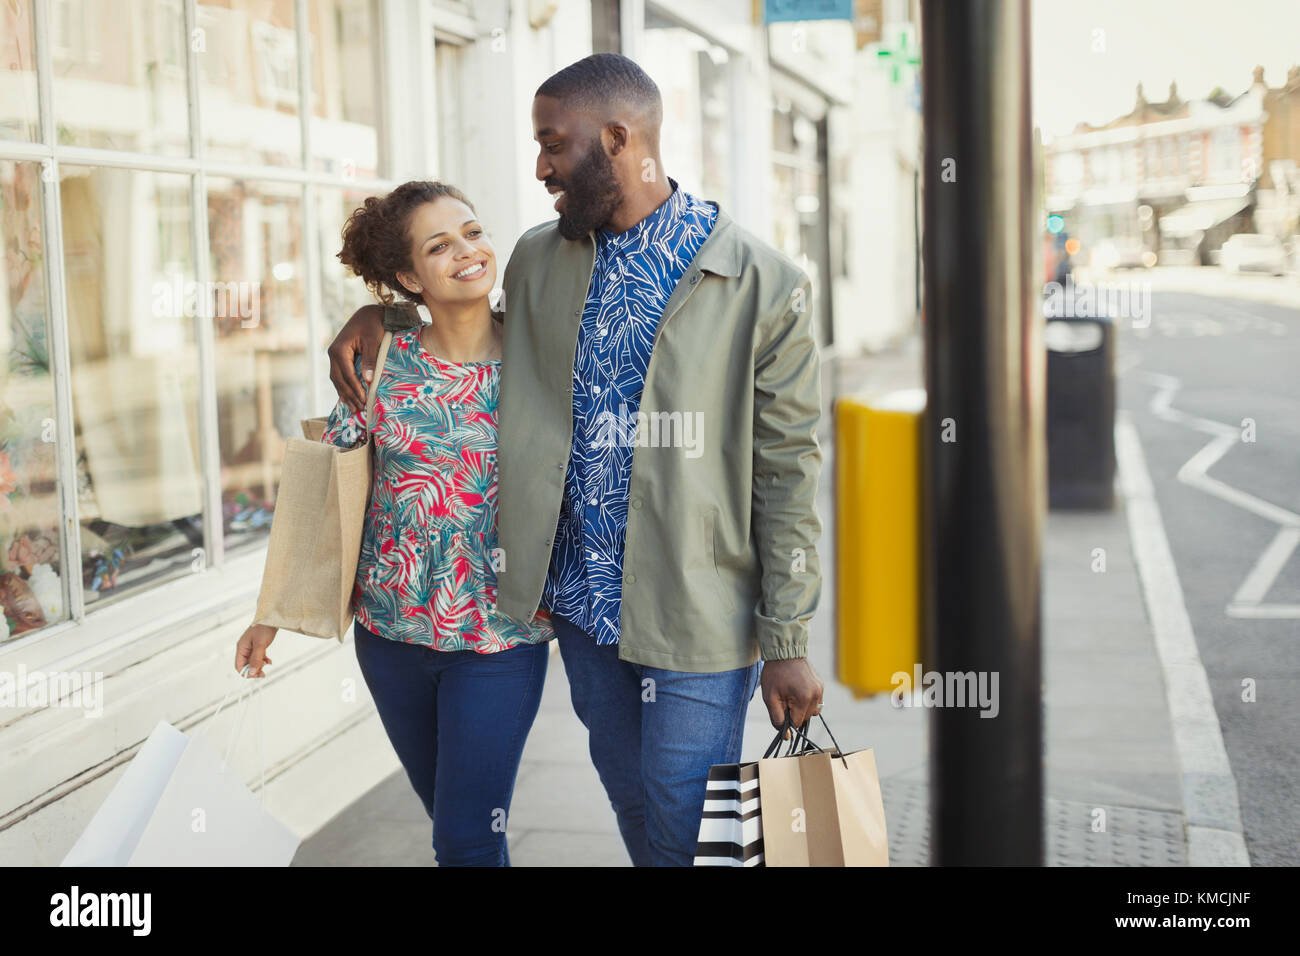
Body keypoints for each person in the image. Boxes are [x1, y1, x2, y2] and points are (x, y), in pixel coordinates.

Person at [328, 53, 824, 867]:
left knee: (684, 810)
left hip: (698, 604)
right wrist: (377, 311)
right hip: (583, 606)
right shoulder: (538, 258)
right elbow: (456, 315)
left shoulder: (761, 283)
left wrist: (789, 634)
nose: (541, 166)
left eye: (554, 144)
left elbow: (788, 470)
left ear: (619, 138)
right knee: (631, 794)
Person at [236, 181, 553, 866]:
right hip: (390, 639)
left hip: (499, 640)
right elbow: (328, 486)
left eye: (472, 231)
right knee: (455, 820)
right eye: (440, 246)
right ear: (409, 277)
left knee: (464, 836)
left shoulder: (541, 360)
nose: (468, 252)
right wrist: (273, 610)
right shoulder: (379, 364)